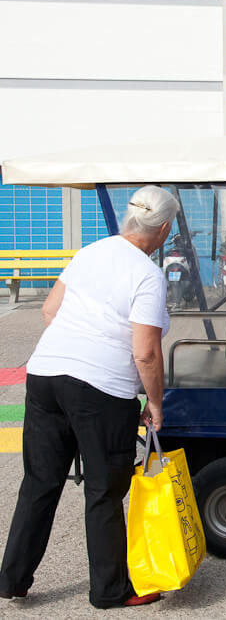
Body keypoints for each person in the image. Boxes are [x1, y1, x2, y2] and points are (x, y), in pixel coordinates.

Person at [0, 186, 179, 609]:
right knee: (103, 489)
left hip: (45, 374)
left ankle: (13, 578)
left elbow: (49, 311)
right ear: (165, 228)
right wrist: (155, 403)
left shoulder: (90, 252)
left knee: (39, 482)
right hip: (100, 389)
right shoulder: (147, 274)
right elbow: (146, 352)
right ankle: (110, 590)